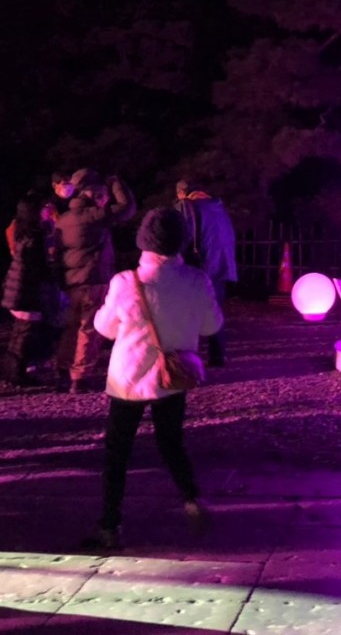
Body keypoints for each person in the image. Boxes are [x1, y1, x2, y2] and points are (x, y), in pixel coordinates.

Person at [86, 207, 223, 549]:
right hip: (173, 376)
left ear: (144, 241)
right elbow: (212, 326)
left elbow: (103, 327)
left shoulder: (125, 282)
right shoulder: (196, 280)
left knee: (118, 453)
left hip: (127, 378)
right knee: (171, 442)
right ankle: (191, 497)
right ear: (181, 242)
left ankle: (110, 524)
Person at [54, 170, 136, 393]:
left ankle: (62, 368)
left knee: (70, 327)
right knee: (89, 329)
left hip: (71, 281)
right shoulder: (95, 216)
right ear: (90, 192)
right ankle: (79, 377)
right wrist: (116, 182)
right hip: (94, 279)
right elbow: (126, 208)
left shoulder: (63, 219)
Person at [174, 179, 236, 367]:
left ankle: (184, 359)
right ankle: (218, 356)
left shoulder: (187, 207)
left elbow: (183, 237)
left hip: (200, 267)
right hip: (222, 267)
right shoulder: (218, 208)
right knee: (215, 310)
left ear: (181, 193)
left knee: (186, 313)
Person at [1, 193, 60, 386]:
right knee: (23, 336)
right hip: (25, 291)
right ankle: (17, 375)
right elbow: (36, 267)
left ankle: (11, 373)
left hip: (15, 287)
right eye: (42, 209)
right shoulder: (34, 236)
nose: (45, 212)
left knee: (18, 333)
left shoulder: (19, 230)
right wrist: (49, 277)